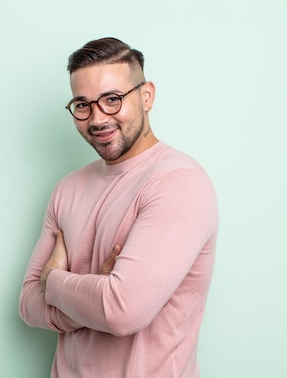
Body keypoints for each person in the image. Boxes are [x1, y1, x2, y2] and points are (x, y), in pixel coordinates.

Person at [19, 37, 218, 378]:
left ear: (146, 96)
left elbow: (122, 311)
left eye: (112, 99)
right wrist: (95, 291)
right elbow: (27, 305)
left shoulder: (179, 182)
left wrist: (52, 281)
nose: (97, 119)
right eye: (82, 105)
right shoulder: (67, 188)